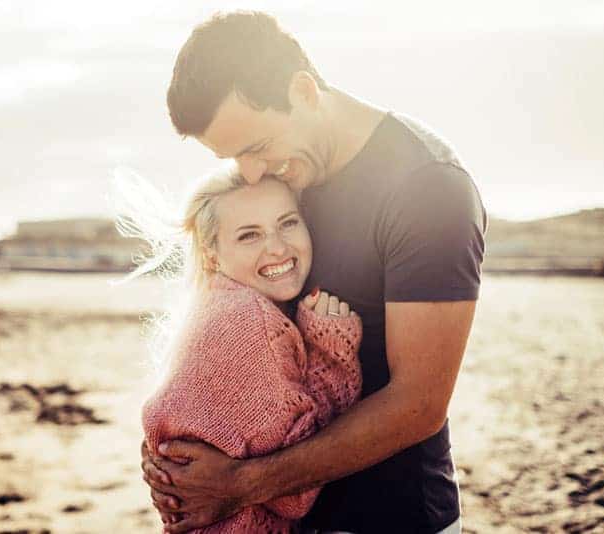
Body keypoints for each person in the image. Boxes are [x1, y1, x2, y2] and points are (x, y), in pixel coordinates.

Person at [141, 10, 487, 534]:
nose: (251, 173)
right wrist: (170, 456)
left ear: (303, 92)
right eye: (234, 157)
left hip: (391, 518)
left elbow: (419, 404)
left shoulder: (427, 189)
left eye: (255, 147)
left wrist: (239, 484)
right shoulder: (287, 172)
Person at [134, 170, 364, 532]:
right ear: (211, 255)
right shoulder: (251, 322)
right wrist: (331, 351)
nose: (276, 247)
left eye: (287, 223)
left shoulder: (213, 306)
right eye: (249, 235)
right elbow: (295, 494)